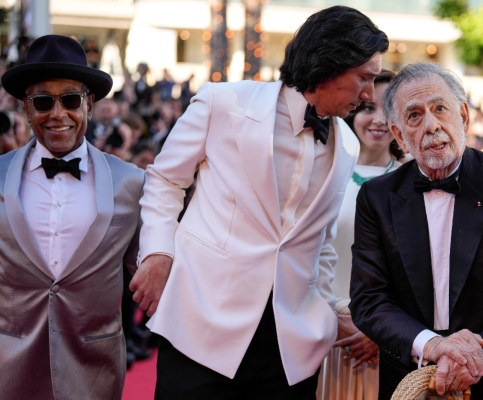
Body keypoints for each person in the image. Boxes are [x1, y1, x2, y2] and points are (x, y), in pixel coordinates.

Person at [129, 6, 388, 399]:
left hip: (291, 349)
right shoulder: (224, 102)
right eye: (365, 78)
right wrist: (157, 254)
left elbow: (320, 246)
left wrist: (333, 312)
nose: (369, 93)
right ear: (332, 65)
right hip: (202, 326)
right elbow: (165, 180)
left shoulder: (347, 144)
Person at [349, 62, 483, 400]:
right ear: (400, 134)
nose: (432, 125)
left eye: (440, 108)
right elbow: (369, 299)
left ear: (463, 115)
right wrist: (433, 346)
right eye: (414, 115)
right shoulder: (376, 197)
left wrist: (476, 357)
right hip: (413, 381)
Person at [0, 34, 144, 399]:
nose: (58, 113)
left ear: (90, 104)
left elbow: (146, 272)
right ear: (27, 109)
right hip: (9, 366)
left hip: (94, 367)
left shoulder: (130, 182)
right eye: (44, 101)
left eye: (71, 99)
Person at [316, 69, 403, 400]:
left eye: (389, 109)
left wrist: (381, 330)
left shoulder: (414, 180)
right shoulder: (324, 172)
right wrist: (334, 316)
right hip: (325, 323)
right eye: (368, 108)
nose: (379, 120)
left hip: (387, 336)